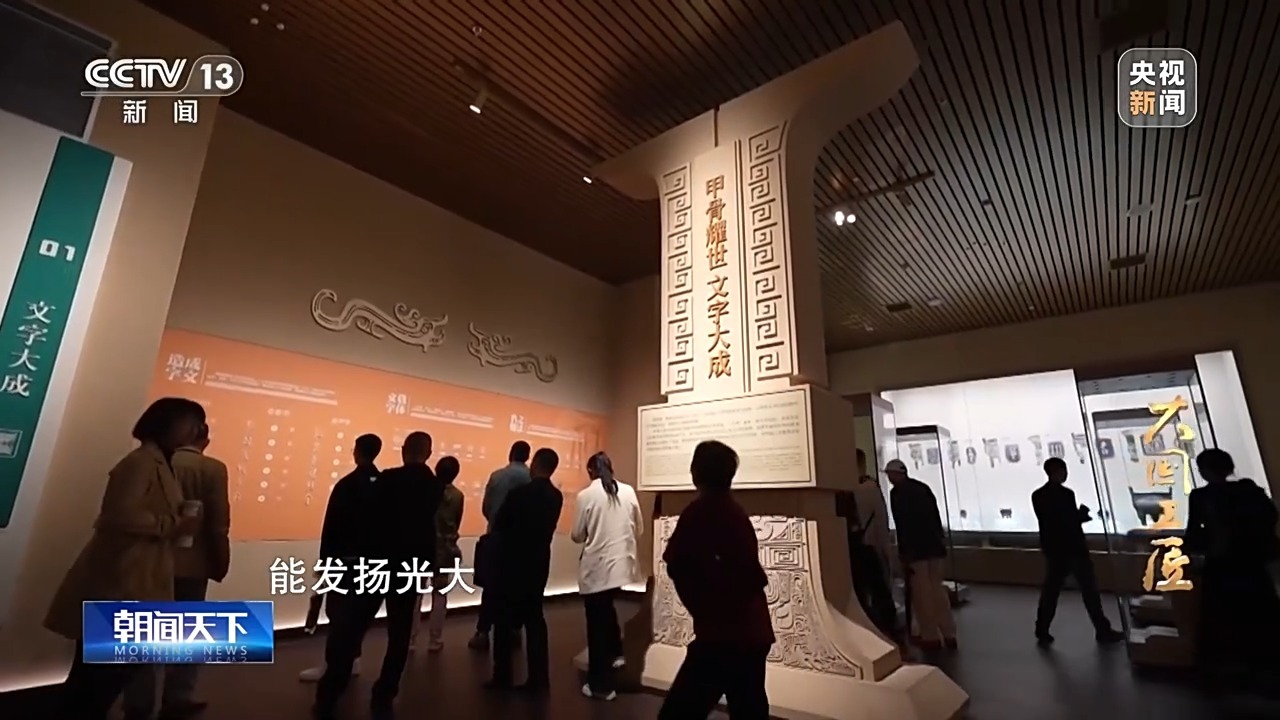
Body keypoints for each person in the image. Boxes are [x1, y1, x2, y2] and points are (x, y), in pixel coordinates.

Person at [46, 397, 207, 720]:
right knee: (102, 674)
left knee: (104, 671)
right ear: (167, 422)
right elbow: (117, 515)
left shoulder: (161, 462)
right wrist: (172, 525)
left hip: (135, 576)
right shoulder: (140, 463)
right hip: (121, 579)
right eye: (189, 422)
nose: (194, 430)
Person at [314, 431, 443, 720]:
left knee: (352, 628)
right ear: (428, 453)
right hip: (410, 568)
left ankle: (330, 692)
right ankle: (385, 693)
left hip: (376, 563)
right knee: (399, 635)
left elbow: (368, 520)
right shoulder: (434, 486)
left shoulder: (388, 479)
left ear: (404, 450)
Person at [123, 420, 232, 720]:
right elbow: (218, 522)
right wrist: (221, 561)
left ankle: (138, 702)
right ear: (204, 440)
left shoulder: (152, 463)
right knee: (190, 633)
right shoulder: (212, 468)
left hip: (151, 559)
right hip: (193, 563)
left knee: (147, 633)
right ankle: (178, 696)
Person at [658, 440, 773, 719]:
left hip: (722, 634)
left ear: (696, 472)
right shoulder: (734, 511)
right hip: (751, 629)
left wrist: (702, 605)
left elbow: (677, 563)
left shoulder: (700, 512)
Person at [1183, 448, 1280, 681]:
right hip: (1251, 562)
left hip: (1221, 562)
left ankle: (1229, 667)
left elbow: (1194, 533)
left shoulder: (1201, 496)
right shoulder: (1249, 491)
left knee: (1223, 615)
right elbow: (1269, 519)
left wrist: (1198, 549)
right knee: (1259, 613)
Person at [299, 433, 383, 682]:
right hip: (372, 563)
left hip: (343, 561)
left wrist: (325, 564)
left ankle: (333, 664)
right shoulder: (383, 485)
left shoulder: (347, 485)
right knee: (359, 615)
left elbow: (332, 529)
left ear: (357, 451)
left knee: (337, 614)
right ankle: (353, 658)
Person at [486, 447, 563, 693]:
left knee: (503, 620)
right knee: (535, 619)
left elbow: (500, 523)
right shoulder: (556, 496)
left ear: (536, 464)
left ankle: (502, 677)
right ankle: (539, 679)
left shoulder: (519, 494)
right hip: (539, 562)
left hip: (512, 563)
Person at [572, 451, 643, 700]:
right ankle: (616, 653)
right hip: (623, 566)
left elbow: (577, 535)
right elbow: (639, 528)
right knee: (606, 611)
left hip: (598, 569)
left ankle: (601, 686)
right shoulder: (628, 491)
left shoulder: (585, 496)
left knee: (596, 625)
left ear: (590, 471)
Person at [1031, 457, 1124, 646]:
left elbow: (1051, 522)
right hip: (1073, 549)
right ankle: (1102, 630)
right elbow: (1067, 522)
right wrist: (1079, 517)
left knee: (1051, 592)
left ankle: (1042, 629)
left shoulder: (1038, 495)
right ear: (1058, 471)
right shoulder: (1066, 494)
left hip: (1055, 550)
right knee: (1089, 592)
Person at [885, 458, 957, 651]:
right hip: (934, 547)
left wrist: (903, 553)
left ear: (896, 474)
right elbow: (935, 517)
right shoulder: (922, 488)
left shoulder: (897, 494)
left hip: (915, 551)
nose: (889, 478)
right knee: (937, 590)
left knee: (921, 594)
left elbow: (903, 526)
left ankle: (930, 635)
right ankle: (949, 633)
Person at [469, 440, 532, 650]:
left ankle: (483, 632)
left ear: (510, 454)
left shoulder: (497, 476)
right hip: (522, 542)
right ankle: (514, 630)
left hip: (496, 538)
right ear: (527, 456)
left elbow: (486, 508)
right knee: (517, 587)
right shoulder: (531, 479)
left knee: (491, 588)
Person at [837, 449, 898, 640]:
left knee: (861, 592)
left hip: (850, 547)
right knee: (878, 589)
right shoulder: (870, 488)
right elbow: (880, 522)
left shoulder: (842, 490)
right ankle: (888, 630)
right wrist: (886, 551)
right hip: (867, 546)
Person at [425, 455, 465, 652]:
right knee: (440, 595)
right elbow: (456, 522)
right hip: (445, 550)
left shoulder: (426, 491)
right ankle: (435, 639)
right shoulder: (457, 496)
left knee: (415, 595)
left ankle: (411, 639)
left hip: (423, 547)